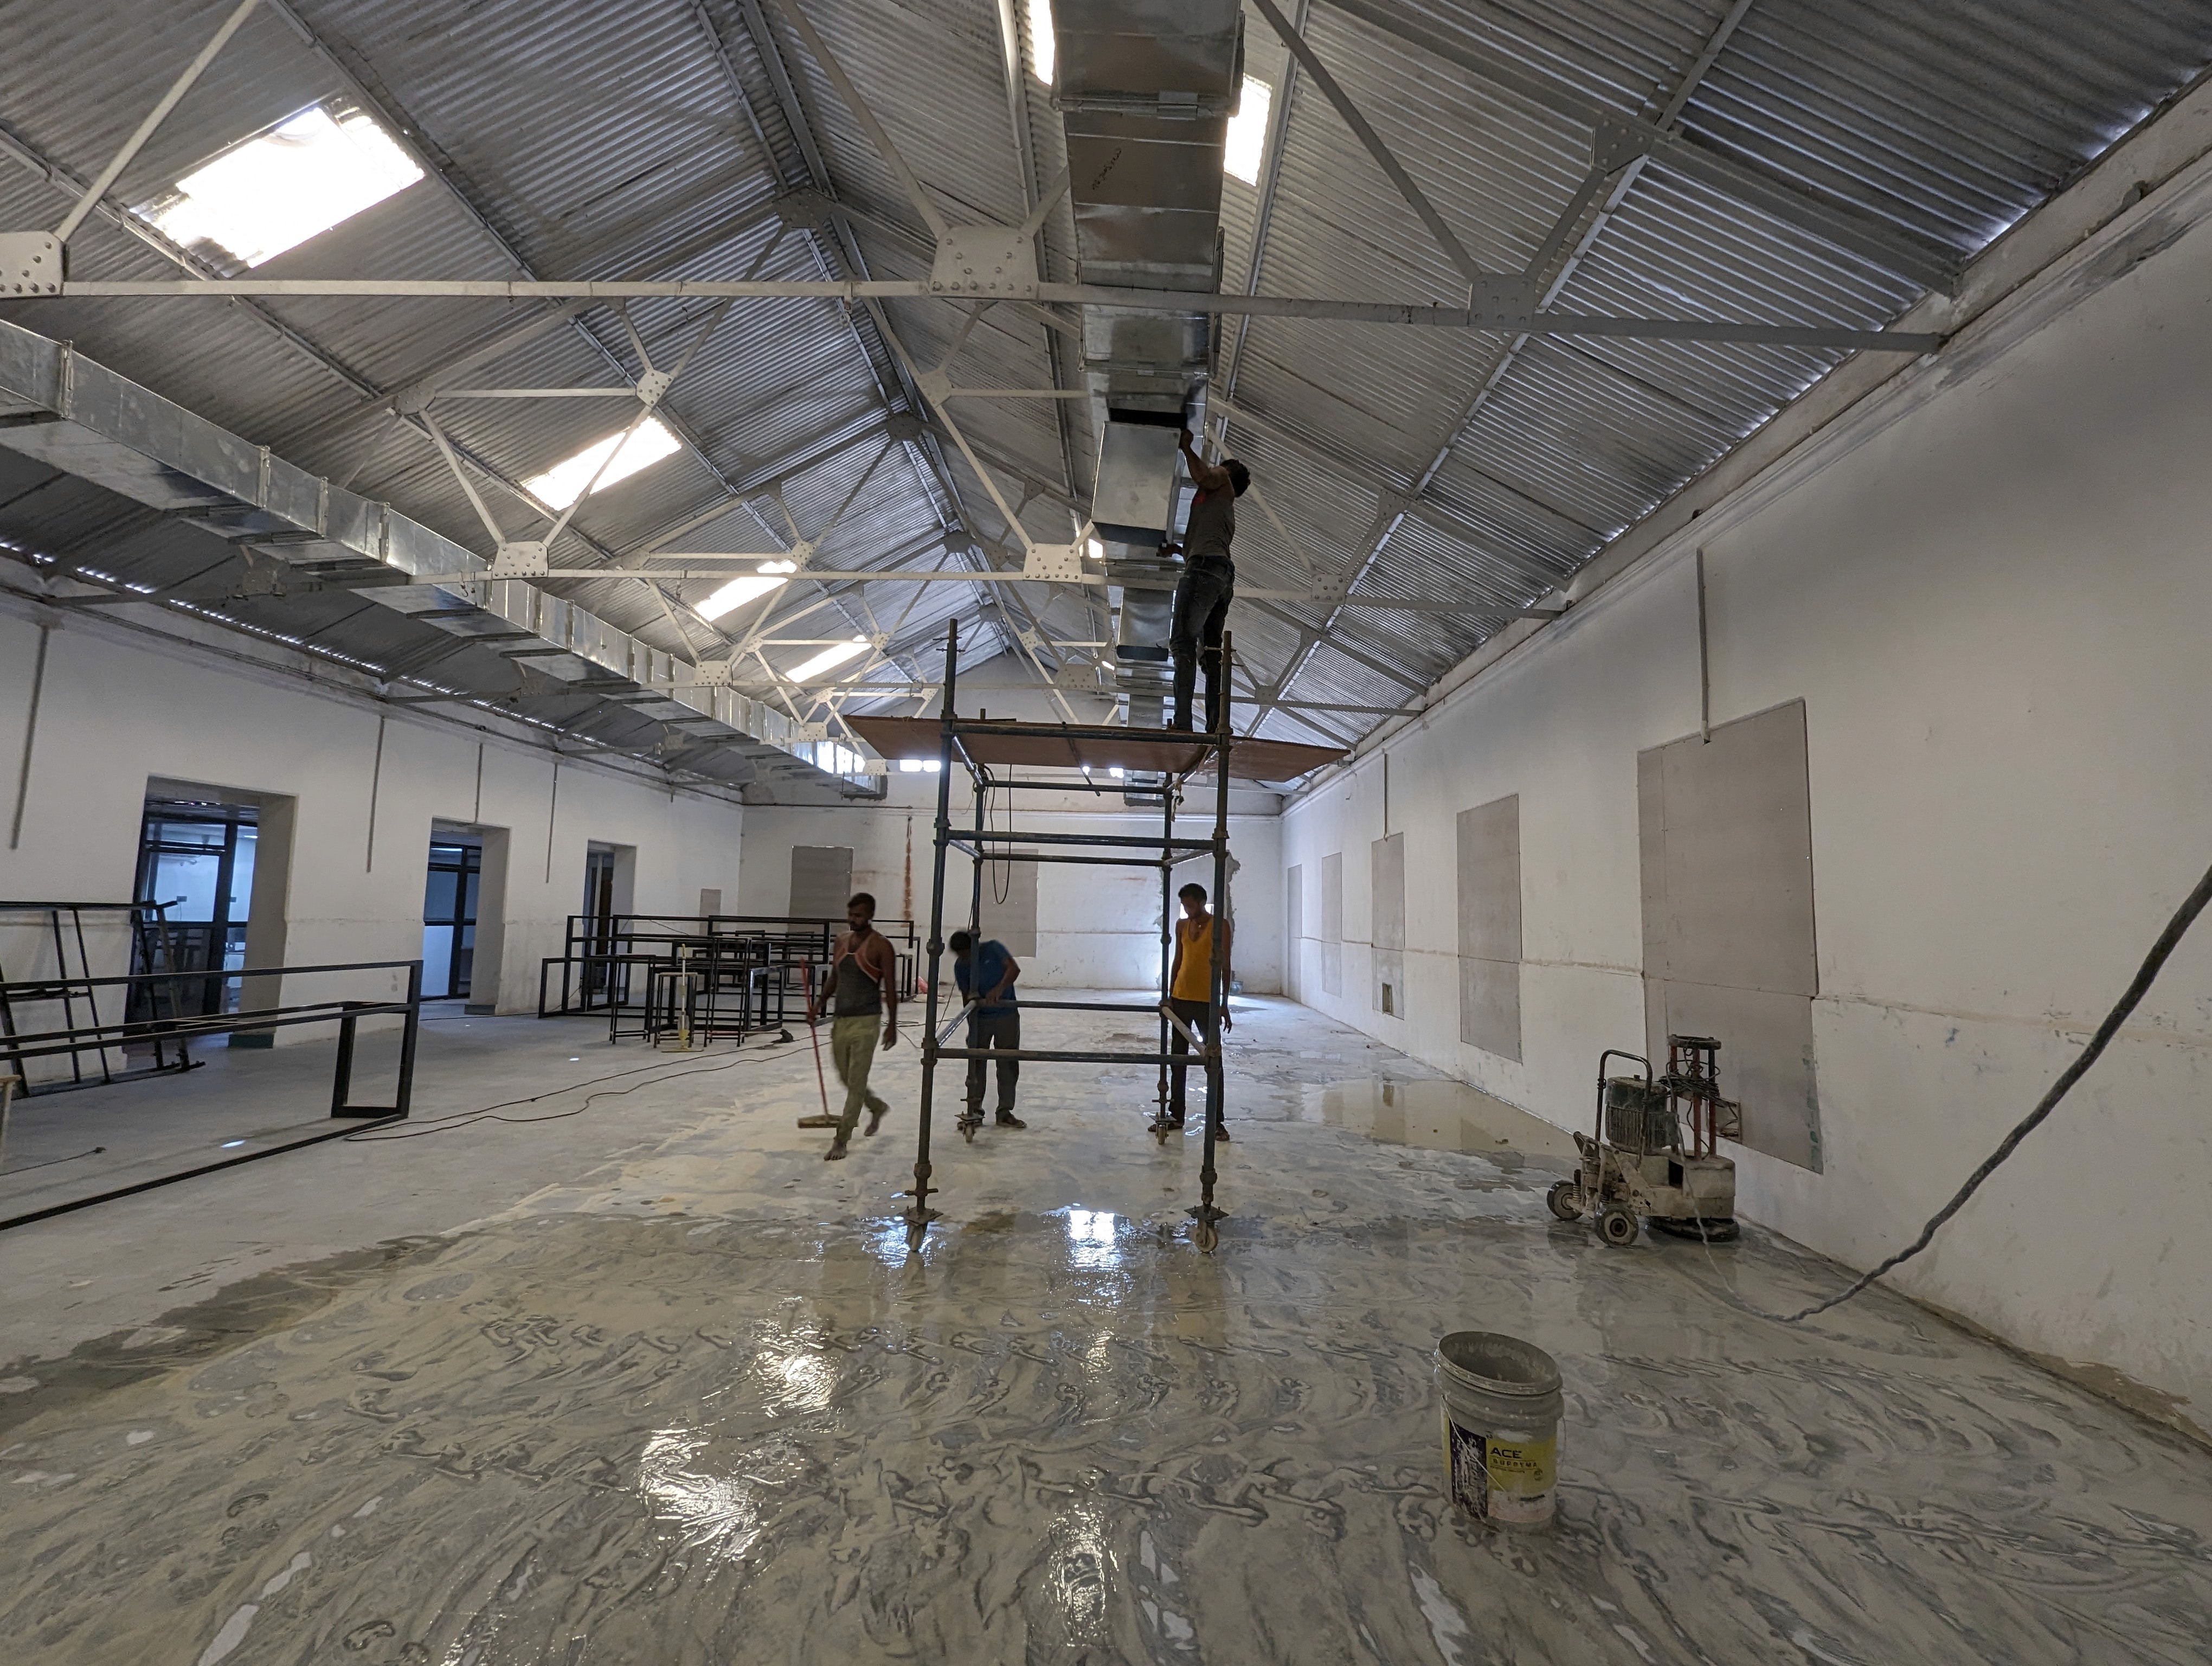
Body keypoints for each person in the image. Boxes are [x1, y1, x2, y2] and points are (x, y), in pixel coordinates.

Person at [1167, 425, 1250, 734]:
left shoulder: (1222, 480)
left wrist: (1186, 447)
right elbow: (1198, 546)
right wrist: (1177, 549)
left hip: (1205, 571)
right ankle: (1216, 725)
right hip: (1217, 574)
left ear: (1226, 473)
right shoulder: (1219, 508)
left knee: (1182, 642)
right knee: (1211, 655)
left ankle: (1184, 723)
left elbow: (1203, 476)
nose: (1213, 470)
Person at [808, 892, 898, 1160]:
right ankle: (877, 1106)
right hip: (841, 1019)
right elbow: (835, 977)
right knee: (845, 1077)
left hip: (866, 1022)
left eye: (858, 915)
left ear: (871, 915)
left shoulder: (881, 946)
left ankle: (841, 1138)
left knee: (857, 1082)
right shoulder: (842, 941)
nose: (852, 920)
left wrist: (892, 1024)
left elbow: (891, 989)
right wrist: (818, 1005)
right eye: (850, 914)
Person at [1164, 881, 1231, 1140]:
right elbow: (1178, 960)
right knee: (1177, 1059)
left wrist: (1224, 1003)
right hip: (1181, 998)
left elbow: (1225, 963)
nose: (1186, 909)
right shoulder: (1182, 925)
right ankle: (1176, 1114)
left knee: (1213, 1061)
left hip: (1207, 1002)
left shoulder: (1220, 925)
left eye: (1189, 905)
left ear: (1201, 903)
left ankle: (1216, 1121)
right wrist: (1169, 996)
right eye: (1184, 905)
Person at [949, 928, 1025, 1130]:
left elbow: (1014, 969)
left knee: (1007, 1063)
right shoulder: (961, 966)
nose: (964, 958)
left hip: (1005, 1015)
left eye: (966, 953)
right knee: (976, 1064)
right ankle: (974, 1110)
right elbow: (966, 996)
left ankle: (1005, 1112)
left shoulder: (994, 949)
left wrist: (999, 989)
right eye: (960, 956)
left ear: (974, 946)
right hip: (981, 1018)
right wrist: (971, 1023)